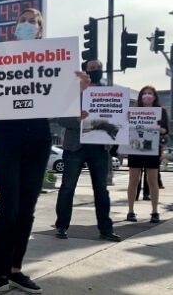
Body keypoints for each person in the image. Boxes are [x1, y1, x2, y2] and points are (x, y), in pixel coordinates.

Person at [0, 8, 91, 295]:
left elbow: (62, 107)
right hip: (7, 135)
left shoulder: (56, 59)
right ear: (14, 28)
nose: (26, 24)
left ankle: (16, 271)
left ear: (40, 30)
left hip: (38, 137)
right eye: (22, 20)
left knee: (27, 208)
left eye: (32, 21)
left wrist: (79, 89)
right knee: (8, 206)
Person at [52, 60, 120, 242]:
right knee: (67, 188)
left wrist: (123, 118)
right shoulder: (72, 94)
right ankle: (61, 226)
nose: (97, 71)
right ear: (85, 71)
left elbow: (116, 120)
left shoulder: (109, 94)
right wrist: (76, 119)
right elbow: (59, 119)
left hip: (99, 148)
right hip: (75, 147)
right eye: (92, 68)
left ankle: (106, 229)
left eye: (99, 68)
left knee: (101, 190)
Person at [126, 85, 168, 224]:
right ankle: (130, 211)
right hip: (135, 149)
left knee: (152, 181)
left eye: (150, 93)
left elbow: (165, 130)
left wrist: (157, 128)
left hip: (152, 150)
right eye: (144, 94)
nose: (147, 96)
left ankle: (155, 212)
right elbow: (126, 127)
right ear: (140, 97)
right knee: (133, 181)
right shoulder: (134, 111)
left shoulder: (161, 112)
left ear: (155, 97)